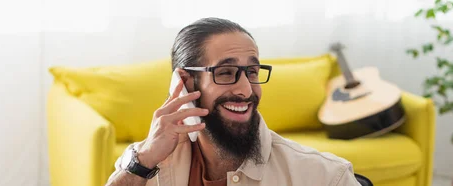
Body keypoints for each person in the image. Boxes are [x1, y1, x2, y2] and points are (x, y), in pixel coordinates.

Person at [105, 17, 362, 186]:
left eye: (252, 72)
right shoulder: (144, 163)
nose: (245, 89)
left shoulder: (327, 176)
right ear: (185, 83)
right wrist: (144, 161)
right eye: (226, 73)